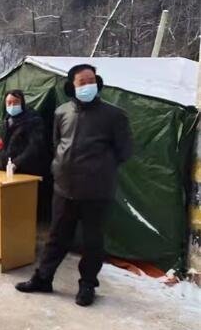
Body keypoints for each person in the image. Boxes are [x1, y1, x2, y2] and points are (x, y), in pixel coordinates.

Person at [15, 64, 132, 307]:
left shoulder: (114, 115)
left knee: (92, 242)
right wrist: (59, 168)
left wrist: (98, 168)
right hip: (64, 188)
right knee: (56, 237)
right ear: (72, 86)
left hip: (96, 191)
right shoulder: (62, 112)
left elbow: (124, 151)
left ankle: (87, 285)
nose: (88, 85)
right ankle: (43, 278)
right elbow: (57, 144)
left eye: (92, 81)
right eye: (82, 82)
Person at [0, 89, 49, 177]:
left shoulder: (33, 120)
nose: (12, 106)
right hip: (6, 170)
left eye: (16, 102)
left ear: (22, 103)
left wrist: (16, 164)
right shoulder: (6, 120)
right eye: (9, 103)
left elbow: (34, 146)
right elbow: (0, 144)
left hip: (26, 171)